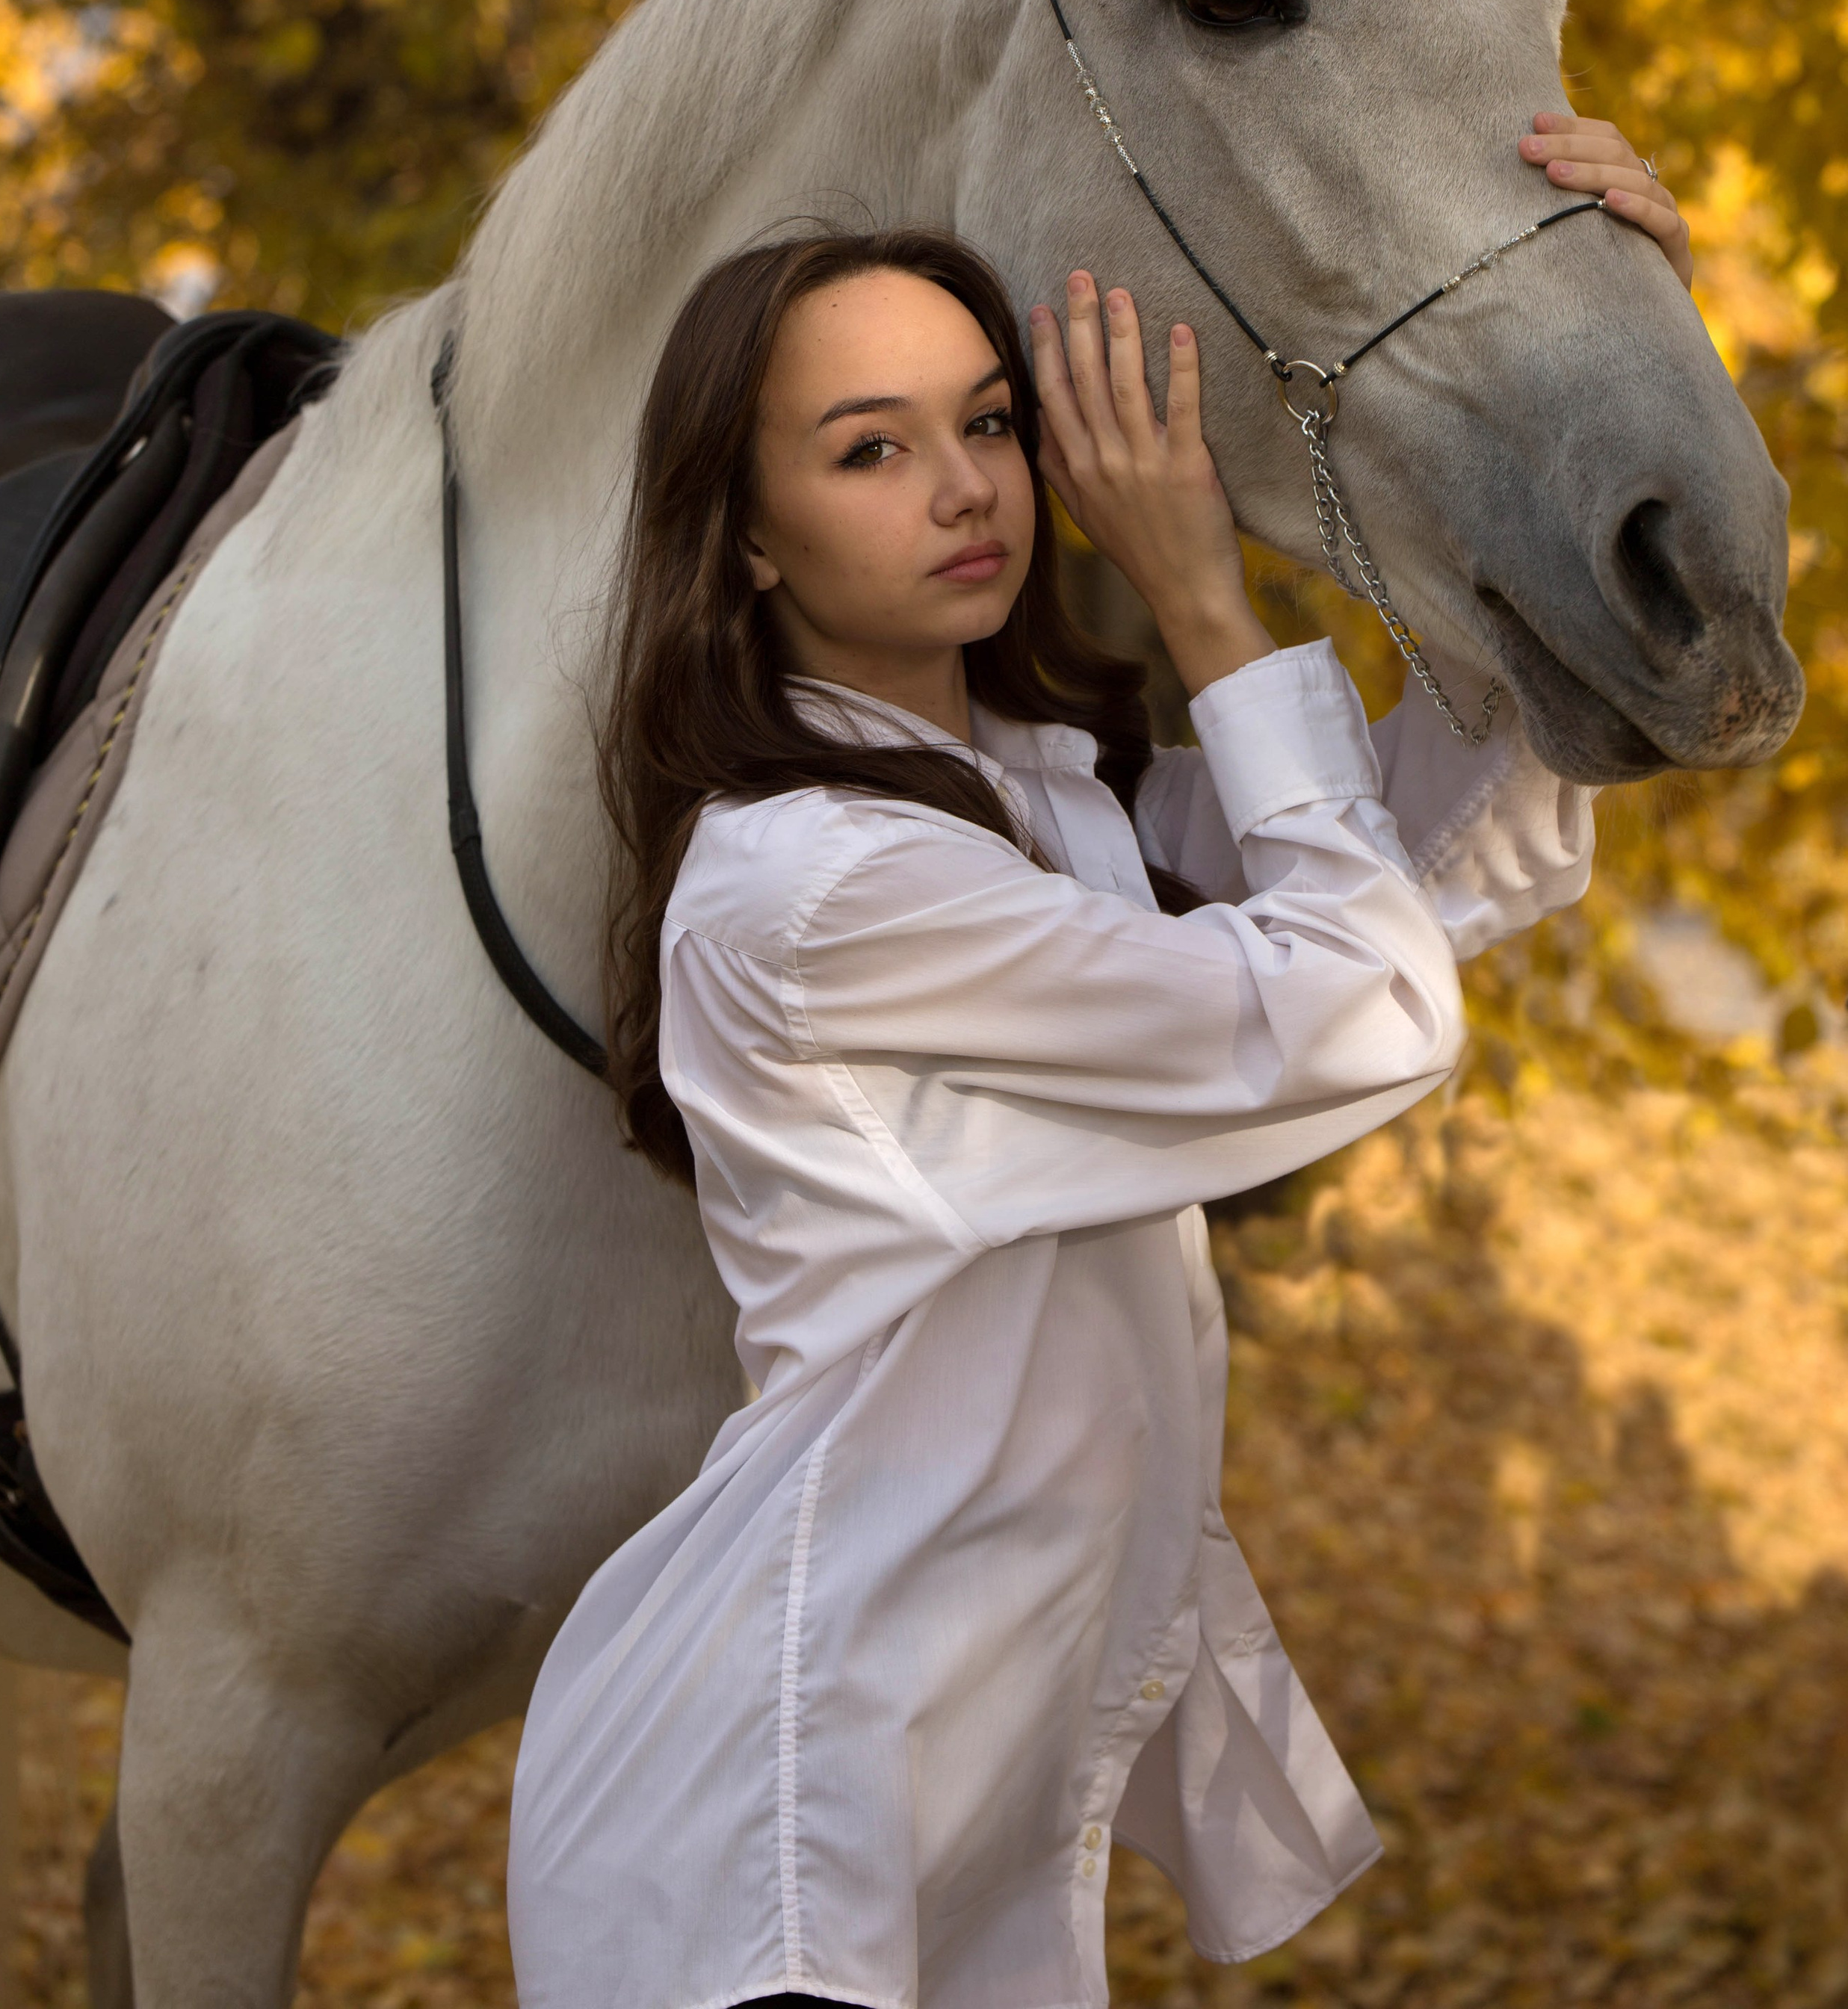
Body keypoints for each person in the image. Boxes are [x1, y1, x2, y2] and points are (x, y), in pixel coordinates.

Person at [509, 121, 1687, 2009]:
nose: (966, 488)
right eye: (869, 449)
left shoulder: (1034, 812)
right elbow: (1347, 1010)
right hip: (777, 1818)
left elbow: (1422, 863)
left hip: (954, 1791)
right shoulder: (822, 886)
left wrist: (1605, 353)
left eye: (988, 423)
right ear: (740, 536)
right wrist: (1206, 601)